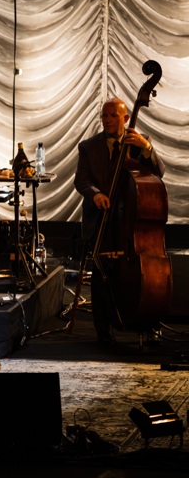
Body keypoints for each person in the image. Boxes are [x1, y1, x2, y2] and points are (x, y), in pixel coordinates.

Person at [74, 97, 166, 343]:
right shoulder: (88, 147)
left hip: (130, 224)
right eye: (105, 115)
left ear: (126, 118)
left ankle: (143, 320)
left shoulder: (139, 142)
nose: (107, 120)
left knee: (138, 273)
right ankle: (103, 330)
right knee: (101, 275)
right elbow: (81, 181)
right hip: (100, 221)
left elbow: (160, 172)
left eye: (113, 115)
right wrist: (96, 194)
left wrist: (147, 148)